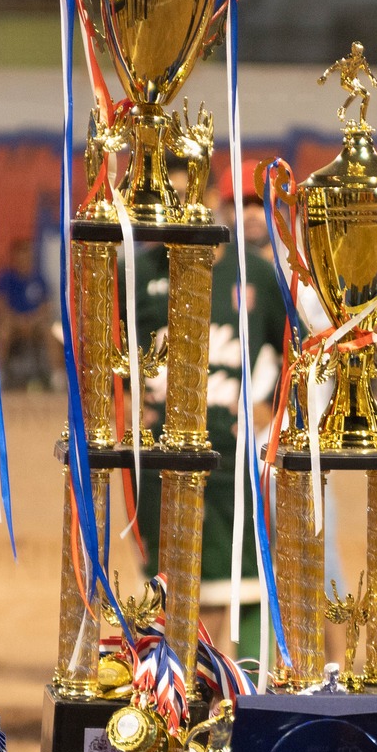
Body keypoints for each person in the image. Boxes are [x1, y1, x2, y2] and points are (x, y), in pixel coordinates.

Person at [130, 161, 290, 652]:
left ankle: (201, 678)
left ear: (211, 200)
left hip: (229, 452)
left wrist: (271, 404)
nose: (179, 213)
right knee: (165, 572)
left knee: (221, 576)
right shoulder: (138, 272)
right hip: (159, 453)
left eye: (189, 197)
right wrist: (128, 405)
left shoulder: (257, 274)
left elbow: (295, 351)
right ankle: (164, 672)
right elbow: (98, 349)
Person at [0, 237, 56, 390]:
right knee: (3, 332)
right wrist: (18, 321)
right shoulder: (5, 278)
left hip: (34, 324)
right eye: (20, 254)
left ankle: (56, 376)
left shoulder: (38, 278)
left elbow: (47, 307)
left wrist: (31, 321)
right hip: (13, 323)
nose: (24, 258)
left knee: (51, 332)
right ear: (14, 257)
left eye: (27, 254)